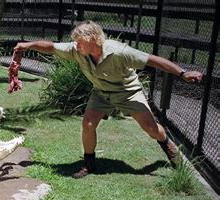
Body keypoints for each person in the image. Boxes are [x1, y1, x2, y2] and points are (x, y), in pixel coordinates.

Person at [13, 20, 203, 178]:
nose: (76, 46)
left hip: (128, 92)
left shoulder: (119, 51)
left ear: (93, 39)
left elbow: (152, 60)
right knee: (88, 124)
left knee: (151, 128)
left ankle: (168, 148)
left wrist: (182, 73)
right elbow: (52, 47)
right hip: (101, 93)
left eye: (79, 42)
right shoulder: (77, 50)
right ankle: (89, 164)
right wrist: (28, 45)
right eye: (75, 42)